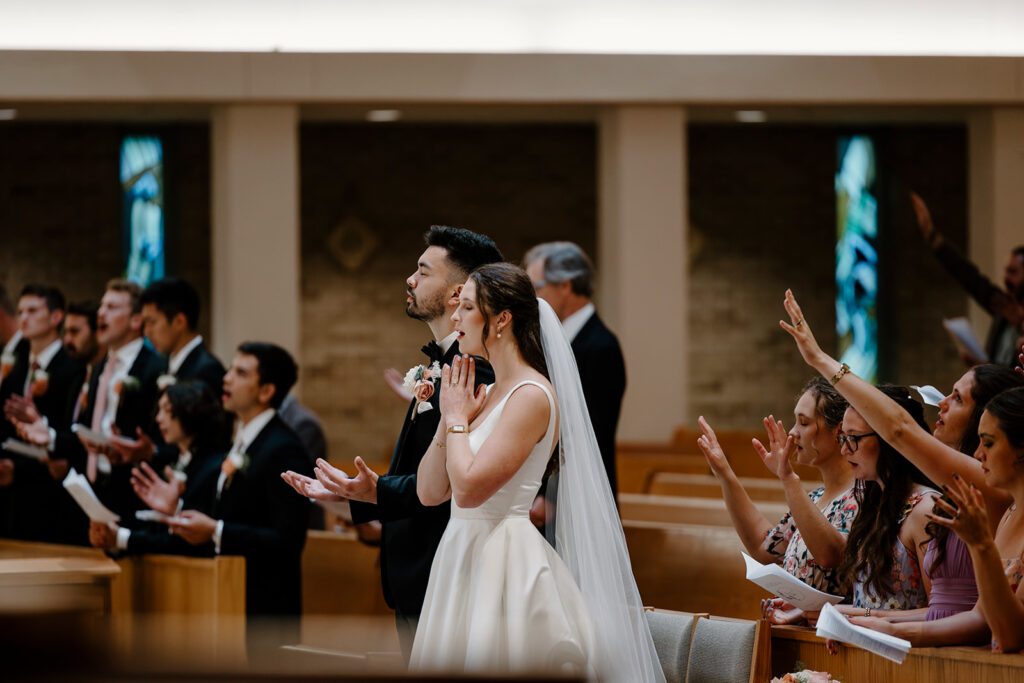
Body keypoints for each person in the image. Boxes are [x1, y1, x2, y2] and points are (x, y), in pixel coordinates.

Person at [409, 263, 663, 680]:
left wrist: (456, 419)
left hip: (505, 558)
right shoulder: (486, 393)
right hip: (459, 552)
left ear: (502, 319)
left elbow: (471, 489)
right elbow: (430, 491)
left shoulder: (531, 395)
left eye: (467, 307)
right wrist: (447, 419)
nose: (454, 317)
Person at [282, 225, 502, 659]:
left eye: (423, 271)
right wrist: (348, 498)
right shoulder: (443, 367)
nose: (410, 279)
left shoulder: (476, 375)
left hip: (446, 575)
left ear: (459, 292)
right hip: (417, 576)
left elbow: (452, 487)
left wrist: (369, 492)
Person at [778, 290, 1024, 645]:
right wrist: (856, 619)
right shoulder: (985, 500)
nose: (940, 403)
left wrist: (821, 360)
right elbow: (969, 613)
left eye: (957, 398)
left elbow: (900, 430)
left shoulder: (988, 490)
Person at [168, 342, 313, 652]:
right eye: (231, 369)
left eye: (240, 372)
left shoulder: (283, 449)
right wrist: (176, 507)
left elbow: (289, 539)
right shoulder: (243, 440)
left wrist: (217, 532)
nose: (226, 378)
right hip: (229, 598)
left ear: (265, 391)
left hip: (264, 610)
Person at [697, 378, 857, 596]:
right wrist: (725, 474)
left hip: (823, 630)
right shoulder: (815, 497)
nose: (792, 432)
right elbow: (765, 549)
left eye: (804, 422)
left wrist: (788, 478)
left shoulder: (863, 495)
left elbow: (830, 555)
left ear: (839, 432)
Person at [926, 387, 1024, 653]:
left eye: (989, 442)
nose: (979, 454)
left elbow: (1012, 636)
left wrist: (980, 544)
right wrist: (878, 627)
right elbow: (982, 615)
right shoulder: (1010, 514)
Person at [524, 241, 625, 496]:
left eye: (536, 288)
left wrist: (551, 499)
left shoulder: (601, 346)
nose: (530, 299)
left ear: (565, 285)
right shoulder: (554, 341)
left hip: (578, 496)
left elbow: (591, 433)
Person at [88, 380, 225, 556]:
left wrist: (121, 538)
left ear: (191, 411)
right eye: (159, 410)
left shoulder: (212, 468)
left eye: (168, 410)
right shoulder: (175, 461)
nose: (159, 418)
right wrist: (114, 538)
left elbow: (186, 541)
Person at [911, 193, 1024, 367]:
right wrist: (931, 236)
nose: (1005, 277)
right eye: (1005, 271)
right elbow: (969, 277)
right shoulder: (1004, 306)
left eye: (1013, 271)